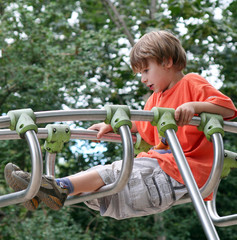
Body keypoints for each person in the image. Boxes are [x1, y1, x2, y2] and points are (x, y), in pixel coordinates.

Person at [5, 30, 237, 219]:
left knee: (112, 172)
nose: (143, 78)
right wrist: (113, 126)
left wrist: (196, 107)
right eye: (140, 73)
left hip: (180, 172)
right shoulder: (154, 101)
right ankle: (41, 192)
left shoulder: (190, 83)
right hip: (157, 172)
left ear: (167, 62)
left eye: (147, 70)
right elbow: (140, 126)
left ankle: (55, 186)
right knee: (96, 187)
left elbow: (228, 108)